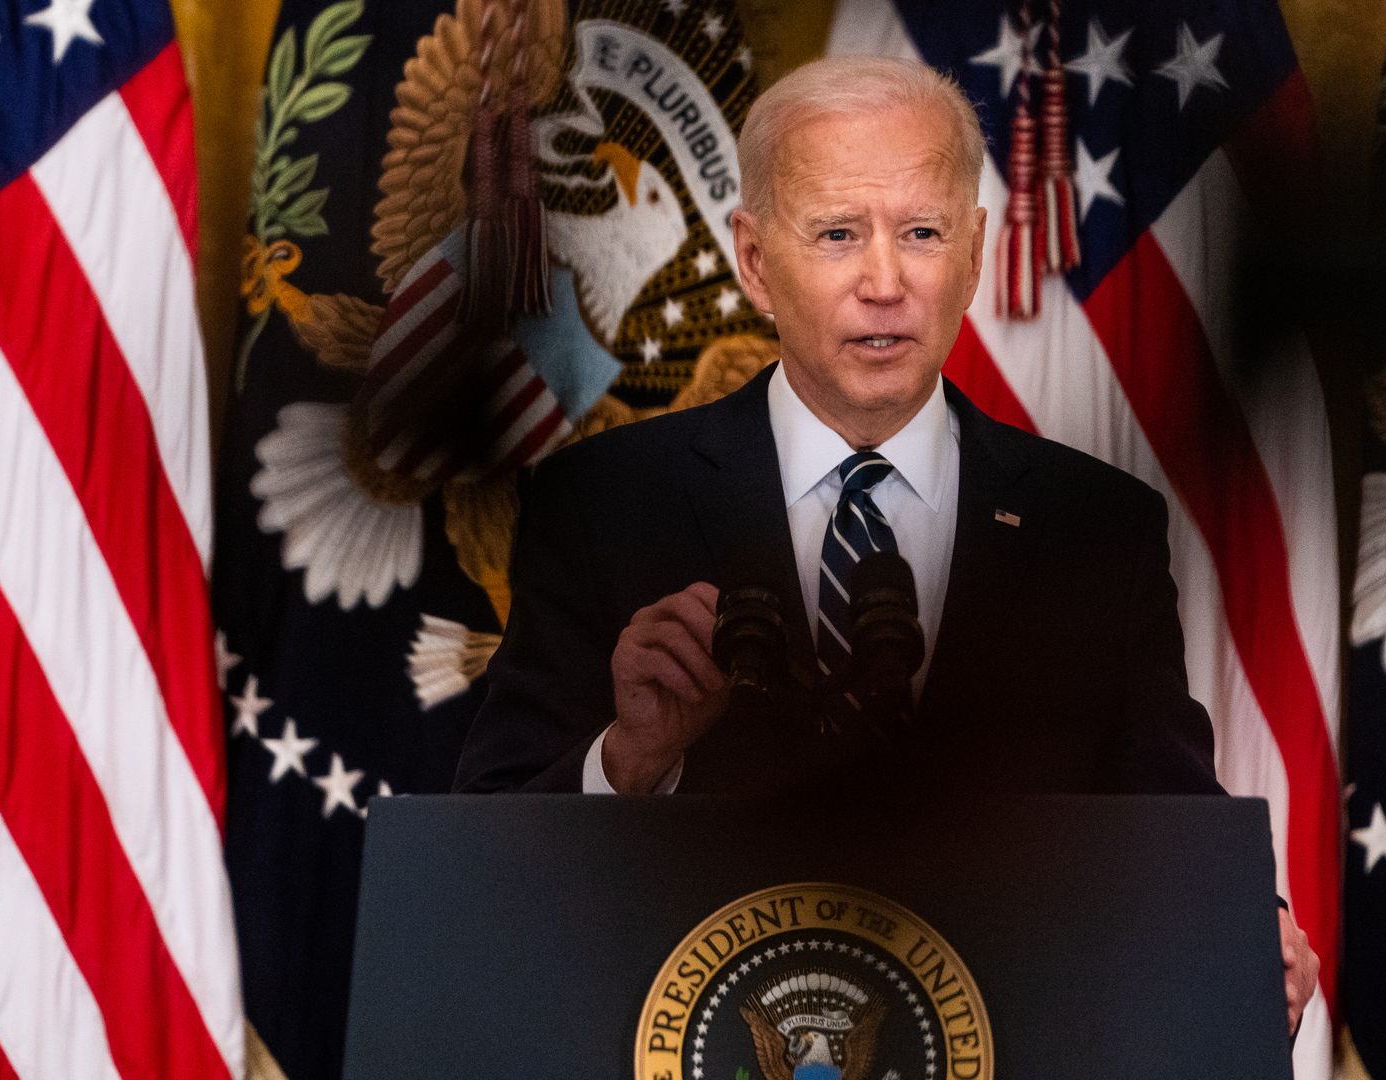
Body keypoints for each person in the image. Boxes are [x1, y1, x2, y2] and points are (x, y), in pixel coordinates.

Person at [453, 54, 1319, 1035]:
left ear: (974, 253)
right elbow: (479, 858)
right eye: (837, 234)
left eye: (921, 233)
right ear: (753, 261)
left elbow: (1170, 821)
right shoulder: (605, 503)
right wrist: (629, 759)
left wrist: (1250, 927)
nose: (885, 282)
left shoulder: (1096, 528)